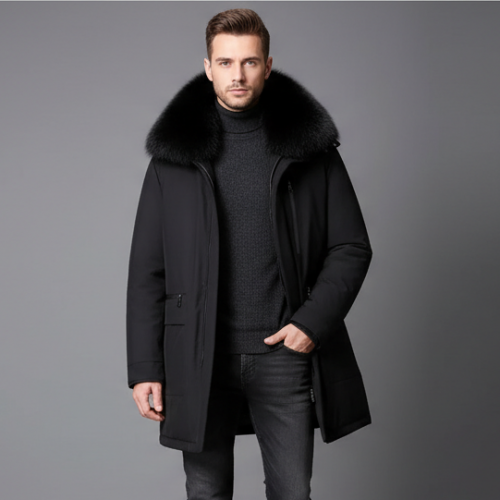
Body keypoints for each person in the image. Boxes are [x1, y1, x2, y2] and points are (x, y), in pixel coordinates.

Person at [126, 8, 373, 500]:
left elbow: (351, 246)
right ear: (208, 67)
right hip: (199, 355)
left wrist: (310, 324)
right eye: (225, 62)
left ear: (268, 65)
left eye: (249, 62)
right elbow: (148, 270)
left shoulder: (311, 151)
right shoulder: (173, 159)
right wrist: (145, 368)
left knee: (292, 492)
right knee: (205, 491)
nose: (237, 75)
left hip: (284, 355)